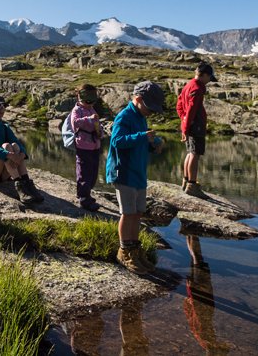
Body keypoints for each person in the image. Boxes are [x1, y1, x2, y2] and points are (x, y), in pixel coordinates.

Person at [106, 81, 166, 274]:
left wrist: (153, 145)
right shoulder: (124, 116)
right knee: (128, 212)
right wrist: (142, 137)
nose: (151, 112)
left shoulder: (140, 116)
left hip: (138, 172)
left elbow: (141, 141)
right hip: (124, 173)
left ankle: (135, 248)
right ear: (138, 100)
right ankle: (124, 251)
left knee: (138, 212)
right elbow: (116, 141)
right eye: (150, 108)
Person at [0, 96, 44, 205]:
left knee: (14, 145)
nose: (2, 108)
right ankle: (21, 188)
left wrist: (22, 154)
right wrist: (7, 154)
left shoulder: (4, 126)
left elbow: (16, 142)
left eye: (4, 105)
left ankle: (27, 184)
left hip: (3, 173)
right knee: (6, 146)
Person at [177, 62, 218, 199]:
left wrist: (183, 121)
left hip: (190, 124)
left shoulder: (188, 85)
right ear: (204, 75)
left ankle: (186, 181)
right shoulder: (197, 88)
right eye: (209, 78)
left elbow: (180, 105)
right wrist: (186, 126)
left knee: (190, 152)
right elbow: (191, 109)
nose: (208, 82)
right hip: (196, 126)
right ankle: (192, 185)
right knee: (195, 154)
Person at [70, 84, 104, 212]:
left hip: (95, 145)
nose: (89, 103)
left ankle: (87, 194)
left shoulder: (92, 109)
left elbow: (97, 125)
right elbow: (75, 123)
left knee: (93, 172)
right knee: (84, 172)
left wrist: (100, 132)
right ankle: (84, 199)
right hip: (83, 145)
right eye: (87, 100)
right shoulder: (77, 110)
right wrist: (88, 119)